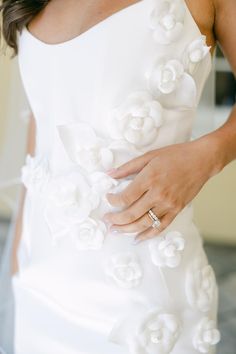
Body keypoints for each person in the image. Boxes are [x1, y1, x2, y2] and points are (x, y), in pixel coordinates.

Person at [0, 0, 235, 353]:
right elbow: (44, 130)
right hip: (40, 285)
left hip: (142, 306)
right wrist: (19, 259)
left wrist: (208, 155)